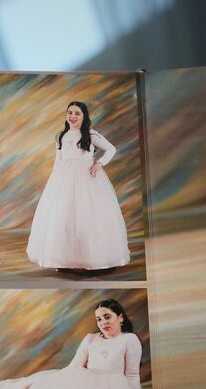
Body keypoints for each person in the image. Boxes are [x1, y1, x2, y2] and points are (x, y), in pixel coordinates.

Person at [26, 101, 130, 271]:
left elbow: (111, 149)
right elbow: (58, 160)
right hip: (64, 179)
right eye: (70, 113)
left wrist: (100, 163)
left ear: (84, 116)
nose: (72, 116)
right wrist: (55, 179)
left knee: (87, 215)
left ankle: (91, 257)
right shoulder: (61, 136)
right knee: (64, 216)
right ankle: (65, 259)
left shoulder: (90, 134)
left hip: (87, 179)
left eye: (77, 113)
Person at [0, 298, 143, 389]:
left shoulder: (129, 339)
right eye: (99, 319)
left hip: (114, 387)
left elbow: (132, 376)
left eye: (107, 317)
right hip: (85, 380)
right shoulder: (90, 339)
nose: (103, 322)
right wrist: (51, 380)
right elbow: (74, 367)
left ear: (120, 317)